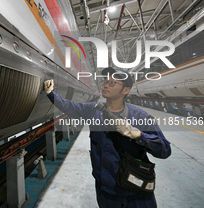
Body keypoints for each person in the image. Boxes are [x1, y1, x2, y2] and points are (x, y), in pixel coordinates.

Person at [43, 67, 171, 208]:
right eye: (105, 82)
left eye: (112, 83)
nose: (105, 85)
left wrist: (138, 135)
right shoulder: (94, 110)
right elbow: (69, 107)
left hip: (136, 192)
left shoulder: (140, 117)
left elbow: (164, 150)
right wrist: (51, 94)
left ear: (125, 90)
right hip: (107, 192)